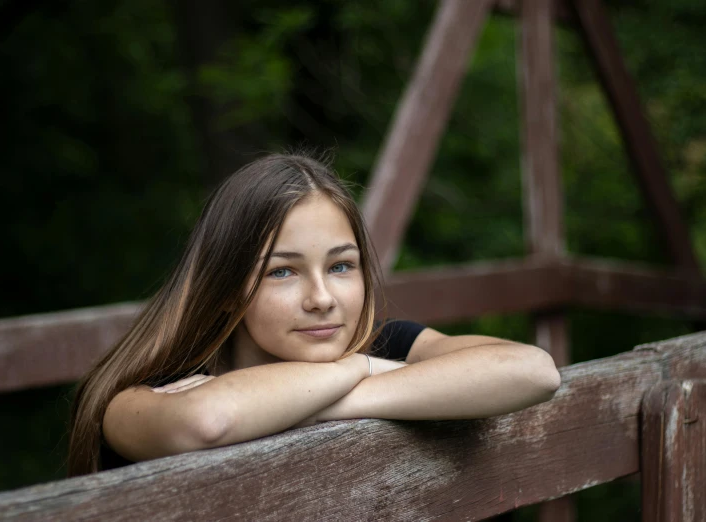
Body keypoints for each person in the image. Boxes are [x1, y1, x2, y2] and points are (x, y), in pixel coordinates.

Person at [67, 152, 561, 477]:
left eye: (341, 265)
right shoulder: (142, 396)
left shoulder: (383, 343)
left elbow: (533, 371)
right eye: (282, 273)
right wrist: (358, 370)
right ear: (223, 289)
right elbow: (210, 420)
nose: (322, 298)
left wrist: (336, 389)